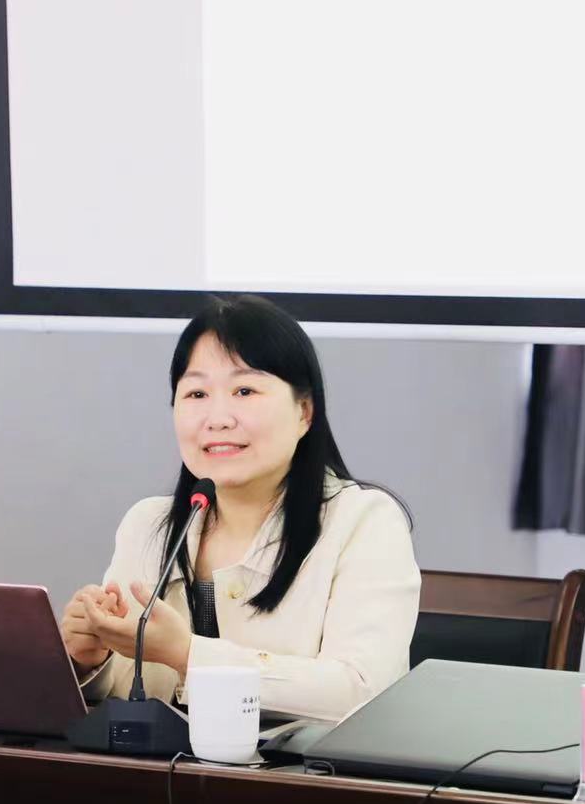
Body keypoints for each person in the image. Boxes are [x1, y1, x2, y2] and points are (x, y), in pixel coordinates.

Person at [59, 294, 420, 723]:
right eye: (196, 393)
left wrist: (188, 654)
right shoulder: (147, 524)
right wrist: (89, 659)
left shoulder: (364, 522)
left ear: (304, 412)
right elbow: (132, 692)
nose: (218, 418)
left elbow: (361, 693)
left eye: (244, 390)